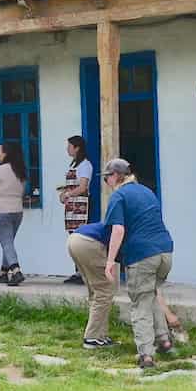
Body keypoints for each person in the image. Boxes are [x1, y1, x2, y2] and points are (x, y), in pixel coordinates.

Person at [100, 157, 176, 369]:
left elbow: (118, 229)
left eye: (106, 178)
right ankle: (164, 341)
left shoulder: (119, 196)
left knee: (140, 304)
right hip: (165, 252)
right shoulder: (146, 191)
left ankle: (146, 355)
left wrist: (109, 262)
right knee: (150, 294)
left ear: (115, 176)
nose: (106, 182)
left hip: (142, 255)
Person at [65, 219, 115, 348]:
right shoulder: (131, 230)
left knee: (95, 292)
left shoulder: (120, 220)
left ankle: (100, 336)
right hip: (89, 242)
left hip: (75, 238)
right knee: (104, 290)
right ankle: (92, 338)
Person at [0, 141, 28, 287]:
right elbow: (22, 192)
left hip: (0, 210)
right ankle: (3, 272)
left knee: (6, 242)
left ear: (6, 154)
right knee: (8, 242)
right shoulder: (20, 171)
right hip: (17, 210)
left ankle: (16, 271)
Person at [57, 135, 94, 285]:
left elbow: (83, 187)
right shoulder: (74, 165)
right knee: (73, 239)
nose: (67, 149)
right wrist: (63, 194)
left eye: (69, 146)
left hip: (80, 206)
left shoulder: (85, 165)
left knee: (80, 240)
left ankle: (84, 272)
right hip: (72, 206)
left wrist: (68, 194)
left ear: (77, 148)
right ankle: (78, 271)